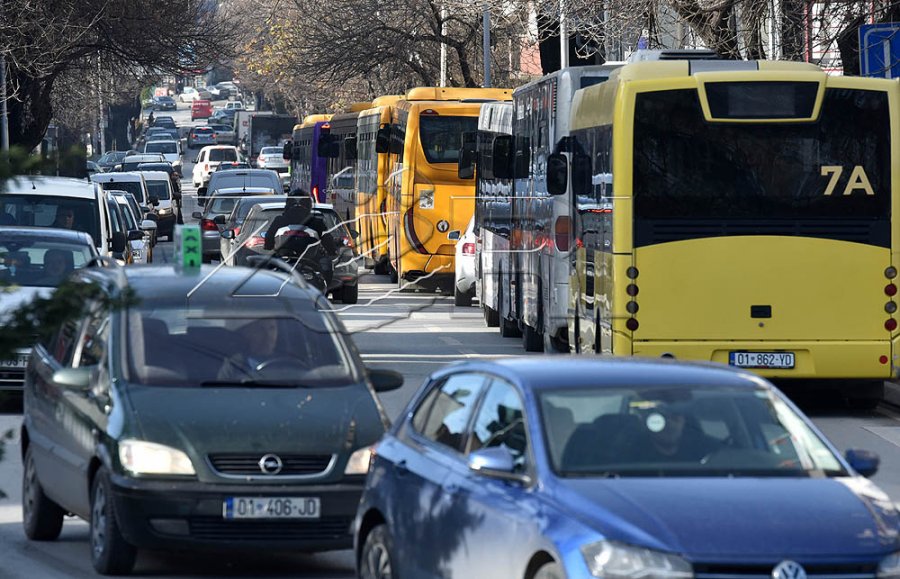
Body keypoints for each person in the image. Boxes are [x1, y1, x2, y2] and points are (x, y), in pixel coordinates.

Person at [263, 190, 336, 285]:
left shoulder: (280, 220)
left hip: (293, 259)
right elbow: (327, 240)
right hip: (308, 260)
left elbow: (269, 237)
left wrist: (268, 246)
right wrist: (332, 251)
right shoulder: (316, 222)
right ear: (309, 205)